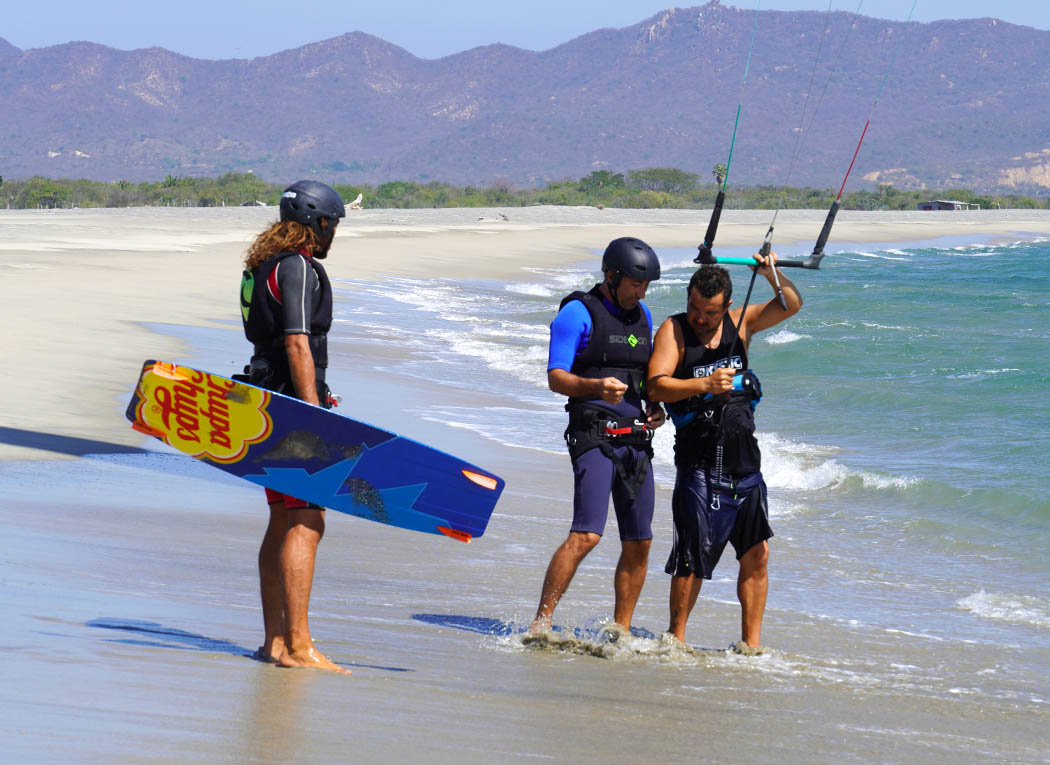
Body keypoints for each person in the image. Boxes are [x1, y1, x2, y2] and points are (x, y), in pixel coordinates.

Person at [646, 253, 801, 653]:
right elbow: (656, 387)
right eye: (694, 307)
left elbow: (792, 304)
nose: (700, 317)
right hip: (699, 464)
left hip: (746, 463)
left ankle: (752, 645)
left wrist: (770, 274)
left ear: (727, 306)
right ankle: (675, 641)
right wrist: (703, 386)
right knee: (692, 557)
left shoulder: (741, 322)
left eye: (709, 312)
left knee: (757, 554)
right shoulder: (674, 330)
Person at [529, 237, 666, 636]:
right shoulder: (577, 313)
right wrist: (596, 389)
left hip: (636, 441)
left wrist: (656, 407)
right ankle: (541, 622)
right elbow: (556, 378)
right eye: (635, 284)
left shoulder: (643, 316)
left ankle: (620, 629)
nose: (641, 292)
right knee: (587, 534)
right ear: (611, 276)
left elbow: (642, 380)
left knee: (640, 541)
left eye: (646, 286)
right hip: (594, 436)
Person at [239, 179, 347, 672]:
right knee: (308, 519)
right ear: (315, 223)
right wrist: (313, 412)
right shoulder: (299, 267)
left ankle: (274, 642)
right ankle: (299, 646)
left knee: (282, 519)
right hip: (291, 409)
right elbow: (298, 342)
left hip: (264, 402)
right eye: (331, 225)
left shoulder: (259, 267)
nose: (332, 234)